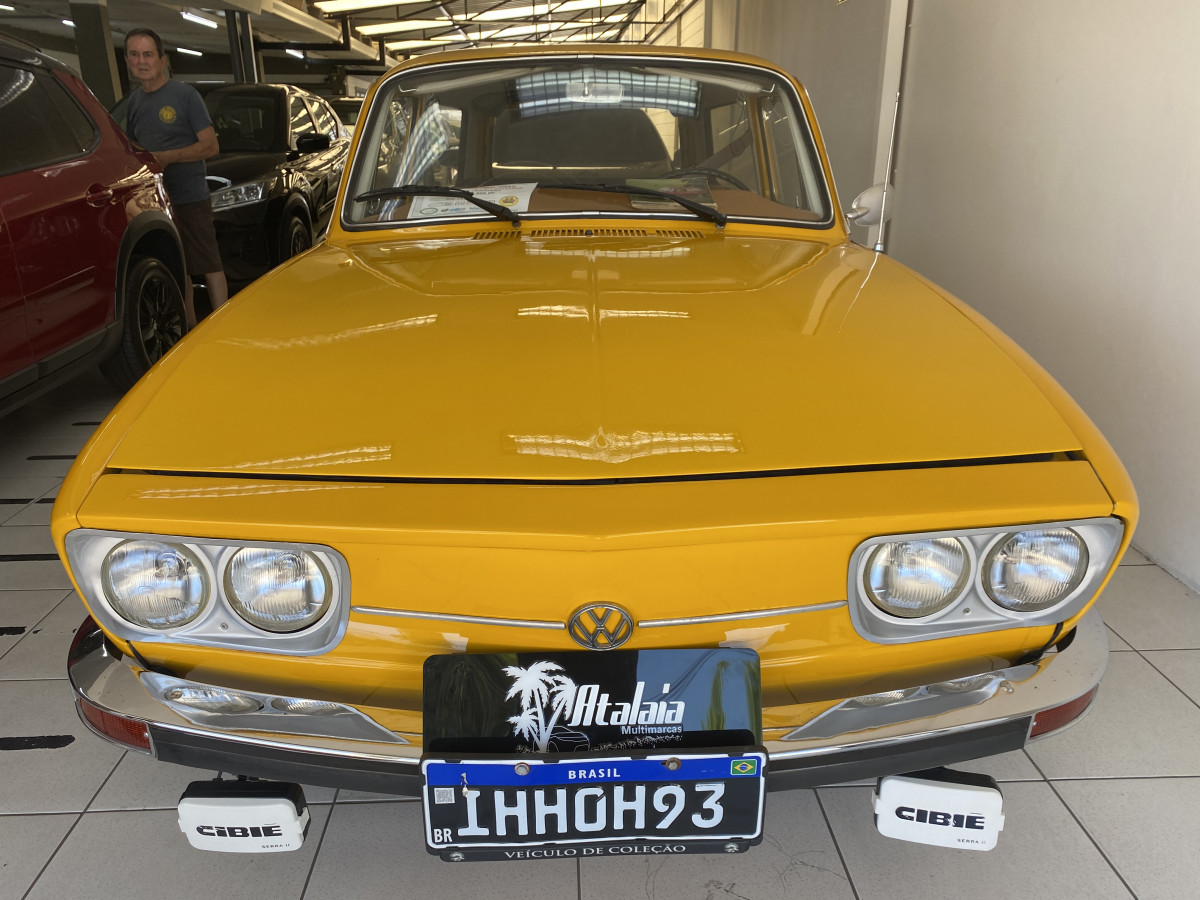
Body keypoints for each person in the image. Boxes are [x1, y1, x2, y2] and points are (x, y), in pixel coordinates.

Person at [123, 28, 227, 328]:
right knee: (179, 268)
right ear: (127, 60)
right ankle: (192, 332)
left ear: (162, 60)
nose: (141, 61)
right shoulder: (134, 103)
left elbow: (211, 146)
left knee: (208, 262)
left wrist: (167, 157)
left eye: (148, 54)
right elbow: (132, 149)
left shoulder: (185, 96)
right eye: (134, 55)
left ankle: (224, 326)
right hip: (155, 202)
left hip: (190, 196)